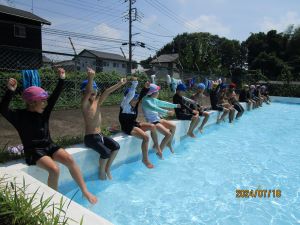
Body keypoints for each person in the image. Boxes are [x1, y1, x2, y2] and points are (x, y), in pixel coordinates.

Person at [0, 68, 97, 204]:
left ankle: (85, 191)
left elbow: (54, 97)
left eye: (45, 101)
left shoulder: (44, 112)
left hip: (49, 145)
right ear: (33, 102)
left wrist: (62, 79)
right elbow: (3, 109)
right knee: (54, 169)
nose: (46, 103)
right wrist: (10, 90)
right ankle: (54, 202)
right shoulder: (19, 116)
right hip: (34, 151)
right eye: (43, 101)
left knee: (69, 159)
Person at [81, 68, 126, 180]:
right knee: (106, 153)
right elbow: (88, 91)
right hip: (90, 138)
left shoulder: (98, 102)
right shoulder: (85, 104)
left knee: (116, 147)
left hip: (100, 135)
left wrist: (119, 84)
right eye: (90, 92)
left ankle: (107, 168)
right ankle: (101, 170)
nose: (93, 93)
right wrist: (91, 78)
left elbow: (107, 91)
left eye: (94, 91)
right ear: (84, 92)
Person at [119, 78, 162, 168]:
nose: (135, 100)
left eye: (136, 98)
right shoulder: (124, 105)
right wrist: (135, 83)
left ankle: (156, 146)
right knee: (146, 138)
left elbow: (141, 95)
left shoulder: (135, 103)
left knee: (152, 126)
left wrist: (145, 88)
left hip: (134, 124)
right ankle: (145, 160)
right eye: (133, 98)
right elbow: (131, 94)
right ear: (127, 98)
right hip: (127, 127)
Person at [142, 84, 180, 154]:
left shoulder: (153, 99)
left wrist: (175, 105)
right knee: (168, 134)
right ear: (152, 92)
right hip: (152, 122)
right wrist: (167, 112)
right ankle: (159, 151)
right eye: (157, 91)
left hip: (157, 119)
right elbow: (154, 108)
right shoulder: (146, 101)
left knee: (173, 127)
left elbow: (163, 103)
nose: (158, 92)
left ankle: (168, 143)